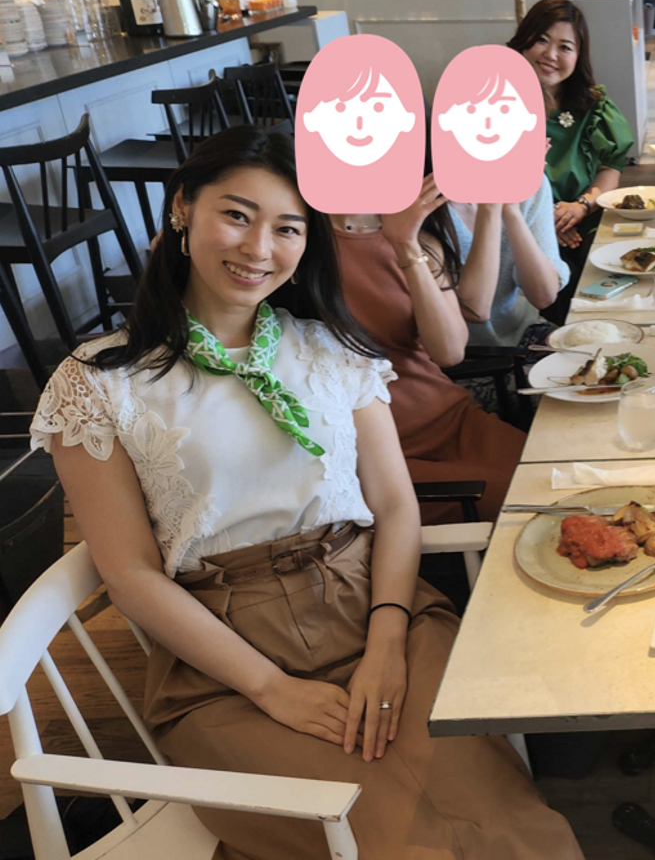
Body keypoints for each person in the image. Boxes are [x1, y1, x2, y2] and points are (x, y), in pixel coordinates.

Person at [28, 126, 583, 860]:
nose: (259, 247)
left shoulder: (329, 348)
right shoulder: (98, 381)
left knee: (512, 825)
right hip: (223, 656)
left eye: (288, 228)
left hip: (375, 605)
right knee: (393, 841)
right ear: (182, 209)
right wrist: (270, 687)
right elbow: (129, 573)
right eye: (237, 215)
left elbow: (394, 507)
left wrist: (388, 640)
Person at [331, 173, 525, 524]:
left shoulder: (417, 236)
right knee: (527, 502)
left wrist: (407, 247)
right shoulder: (299, 242)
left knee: (556, 474)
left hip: (450, 418)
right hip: (379, 451)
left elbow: (449, 352)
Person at [509, 0, 635, 307]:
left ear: (579, 56)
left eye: (565, 47)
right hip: (516, 227)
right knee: (564, 290)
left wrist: (580, 207)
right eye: (541, 40)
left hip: (585, 219)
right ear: (523, 41)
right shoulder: (495, 106)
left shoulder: (593, 106)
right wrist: (545, 223)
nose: (551, 55)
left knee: (614, 273)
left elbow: (610, 168)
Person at [449, 176, 570, 347]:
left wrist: (512, 212)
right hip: (462, 352)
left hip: (525, 334)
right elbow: (476, 311)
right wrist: (491, 207)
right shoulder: (425, 208)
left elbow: (543, 296)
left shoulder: (528, 183)